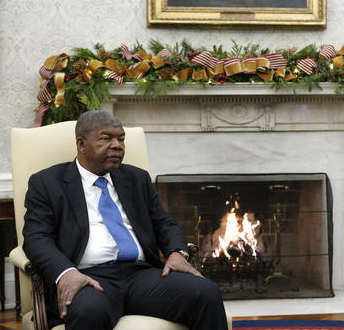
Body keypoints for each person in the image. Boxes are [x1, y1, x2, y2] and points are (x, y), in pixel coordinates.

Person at [22, 110, 228, 330]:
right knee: (89, 312)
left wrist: (177, 252)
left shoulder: (136, 178)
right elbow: (36, 238)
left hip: (141, 275)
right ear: (81, 144)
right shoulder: (46, 183)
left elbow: (163, 222)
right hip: (88, 279)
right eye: (106, 138)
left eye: (121, 139)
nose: (117, 145)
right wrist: (67, 273)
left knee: (205, 292)